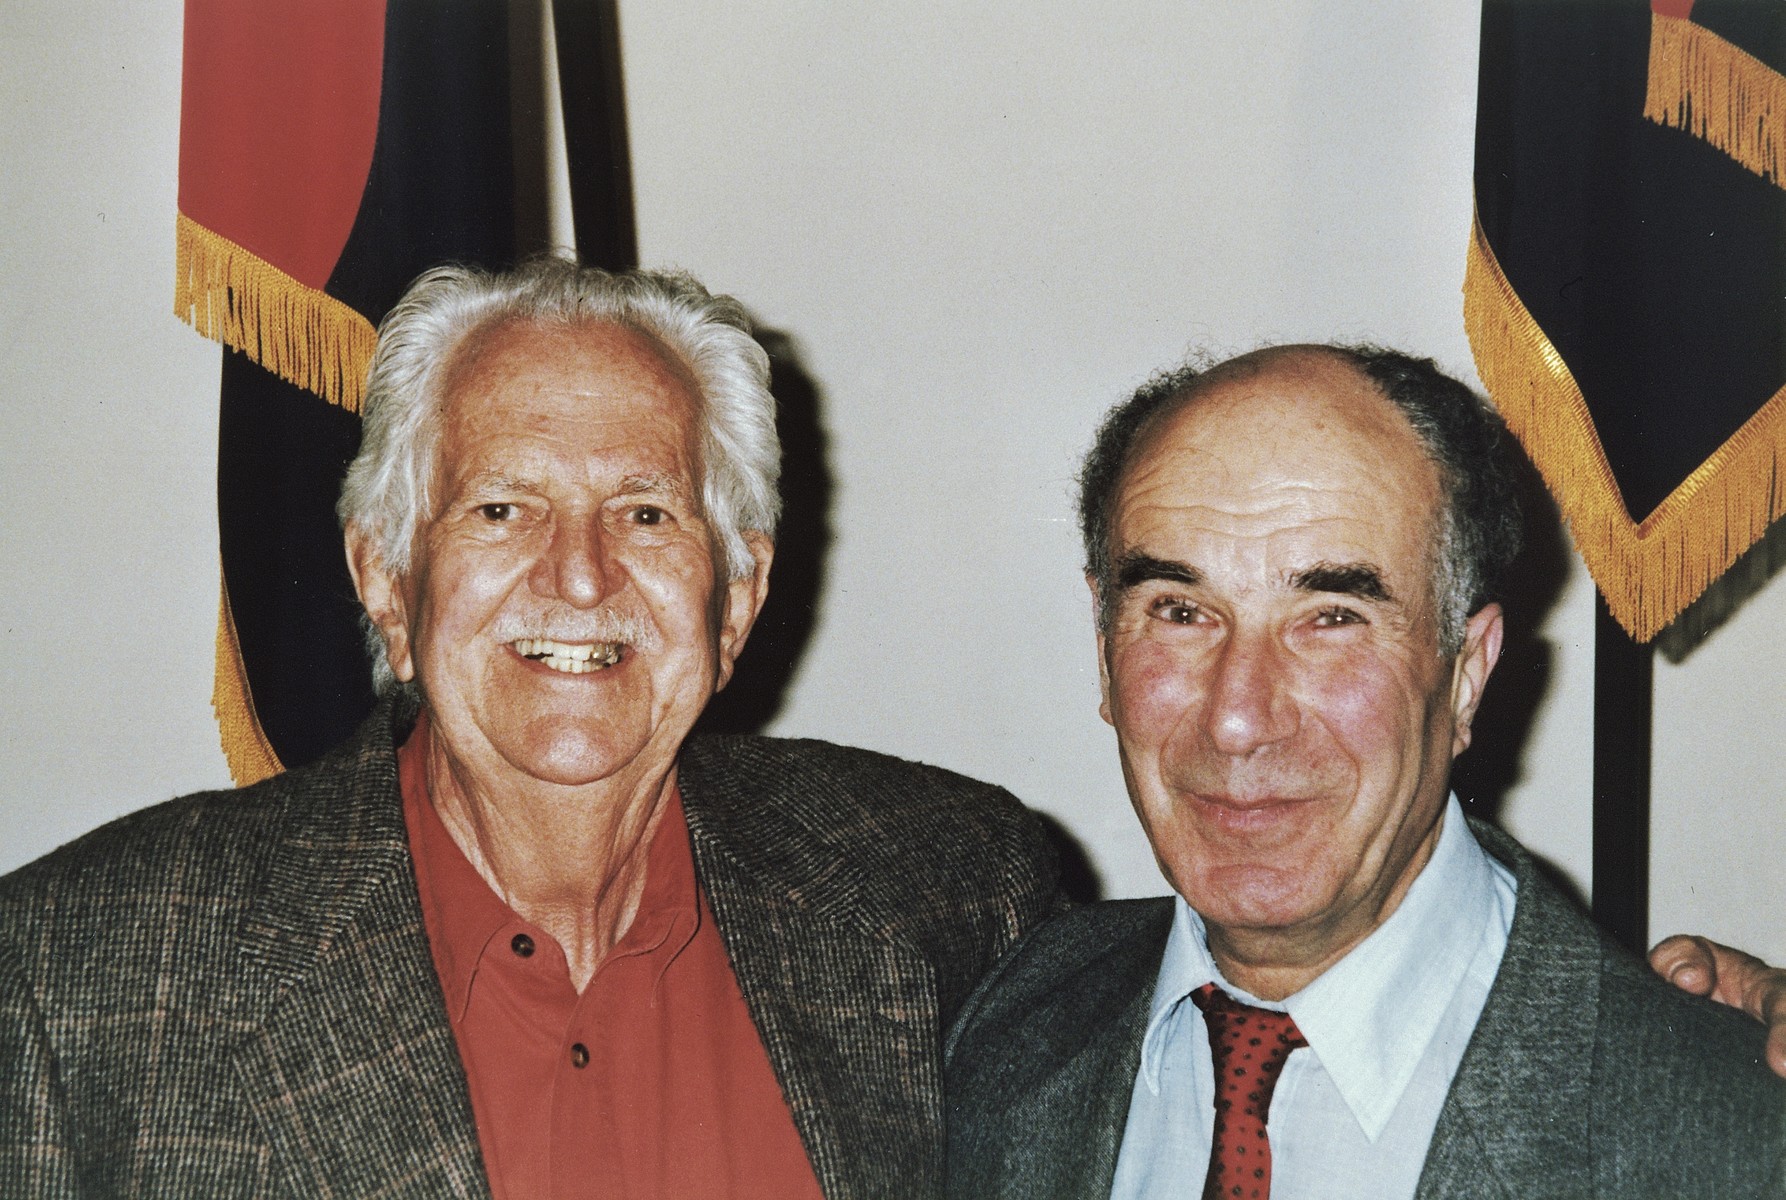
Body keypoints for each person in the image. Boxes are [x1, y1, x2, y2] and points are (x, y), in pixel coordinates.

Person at [0, 258, 1058, 1199]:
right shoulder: (79, 977)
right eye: (502, 508)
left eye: (646, 512)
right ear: (384, 577)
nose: (581, 574)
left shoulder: (956, 893)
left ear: (735, 598)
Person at [944, 345, 1786, 1198]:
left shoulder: (1735, 1142)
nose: (1237, 719)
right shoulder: (998, 1028)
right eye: (1180, 611)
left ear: (1467, 673)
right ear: (1103, 655)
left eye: (1331, 617)